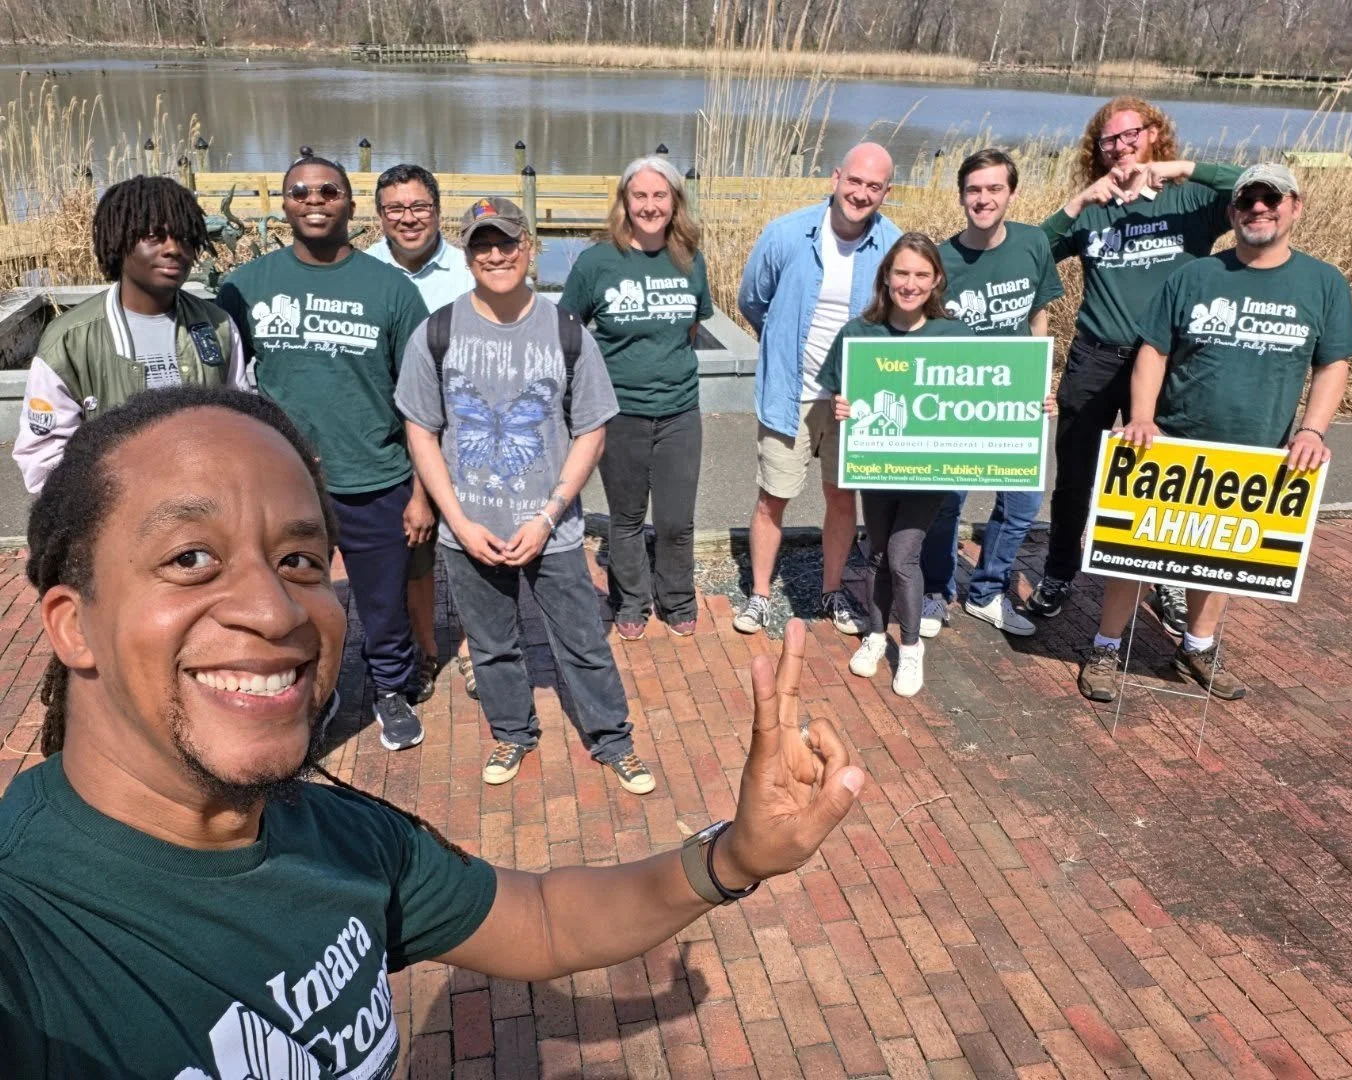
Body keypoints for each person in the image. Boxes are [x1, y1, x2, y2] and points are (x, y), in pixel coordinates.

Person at [0, 384, 866, 1078]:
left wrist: (733, 859)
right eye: (190, 559)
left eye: (301, 560)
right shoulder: (28, 932)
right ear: (73, 624)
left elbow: (541, 922)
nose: (271, 608)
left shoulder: (336, 834)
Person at [396, 196, 658, 795]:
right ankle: (512, 731)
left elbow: (592, 427)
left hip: (553, 529)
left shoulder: (567, 332)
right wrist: (457, 522)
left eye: (506, 243)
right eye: (482, 245)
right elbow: (422, 430)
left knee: (583, 642)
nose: (495, 255)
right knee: (491, 646)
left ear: (529, 250)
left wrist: (548, 515)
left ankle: (611, 738)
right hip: (471, 531)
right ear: (467, 256)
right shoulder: (435, 333)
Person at [1078, 164, 1352, 704]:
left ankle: (1197, 646)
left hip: (1258, 451)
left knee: (1222, 555)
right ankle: (1105, 646)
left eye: (1271, 199)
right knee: (1135, 553)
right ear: (1232, 213)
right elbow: (1153, 350)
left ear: (1295, 207)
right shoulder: (1195, 276)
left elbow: (1333, 364)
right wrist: (1141, 417)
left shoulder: (1323, 283)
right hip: (1172, 443)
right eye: (1247, 200)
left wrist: (1312, 430)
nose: (1259, 208)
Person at [217, 155, 430, 752]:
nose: (315, 200)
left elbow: (422, 401)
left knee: (383, 604)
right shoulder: (246, 286)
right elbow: (224, 378)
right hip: (286, 486)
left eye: (329, 190)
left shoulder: (391, 289)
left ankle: (392, 689)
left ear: (349, 206)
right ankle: (312, 690)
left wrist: (421, 491)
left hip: (375, 477)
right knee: (288, 601)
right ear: (283, 205)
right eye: (300, 192)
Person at [1029, 97, 1245, 637]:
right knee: (1076, 474)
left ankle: (1166, 578)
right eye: (1109, 140)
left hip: (1171, 360)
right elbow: (1031, 254)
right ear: (1096, 151)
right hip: (1097, 356)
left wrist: (1182, 169)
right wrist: (1078, 203)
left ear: (1154, 136)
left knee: (1163, 479)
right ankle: (1059, 572)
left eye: (1131, 136)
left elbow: (1262, 186)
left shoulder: (1191, 199)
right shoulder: (1094, 207)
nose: (1121, 148)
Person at [734, 142, 902, 636]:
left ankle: (831, 593)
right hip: (791, 392)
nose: (861, 193)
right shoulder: (786, 234)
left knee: (842, 499)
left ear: (886, 192)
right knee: (772, 498)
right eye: (855, 181)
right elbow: (752, 301)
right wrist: (786, 348)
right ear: (836, 177)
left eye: (874, 186)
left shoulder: (894, 245)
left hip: (853, 403)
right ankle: (761, 595)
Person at [12, 174, 247, 493]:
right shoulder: (70, 340)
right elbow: (43, 457)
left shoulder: (217, 326)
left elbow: (242, 423)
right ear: (119, 241)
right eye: (155, 237)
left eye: (185, 238)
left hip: (204, 514)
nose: (174, 249)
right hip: (112, 522)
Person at [560, 155, 713, 640]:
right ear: (625, 201)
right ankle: (630, 601)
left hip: (679, 412)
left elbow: (690, 329)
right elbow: (567, 331)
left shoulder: (691, 258)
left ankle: (678, 598)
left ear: (675, 202)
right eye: (639, 195)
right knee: (625, 518)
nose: (650, 205)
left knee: (675, 520)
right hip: (618, 413)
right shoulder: (596, 263)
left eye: (659, 195)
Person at [815, 233, 970, 697]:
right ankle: (877, 634)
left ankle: (911, 646)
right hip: (878, 463)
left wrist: (1031, 402)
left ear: (937, 279)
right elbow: (839, 394)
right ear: (886, 276)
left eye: (922, 274)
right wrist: (842, 407)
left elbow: (988, 390)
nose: (910, 282)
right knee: (880, 552)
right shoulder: (859, 334)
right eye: (901, 272)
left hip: (929, 468)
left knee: (904, 557)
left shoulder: (955, 335)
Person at [918, 148, 1064, 640]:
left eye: (994, 189)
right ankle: (936, 591)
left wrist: (1044, 382)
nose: (984, 199)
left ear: (1011, 193)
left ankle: (986, 592)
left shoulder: (1032, 243)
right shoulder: (941, 259)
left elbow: (1040, 314)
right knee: (947, 504)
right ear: (962, 196)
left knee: (1022, 503)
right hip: (961, 402)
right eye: (974, 190)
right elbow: (924, 332)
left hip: (1017, 400)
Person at [366, 164, 477, 704]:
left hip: (468, 430)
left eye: (419, 207)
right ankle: (428, 650)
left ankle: (483, 649)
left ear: (437, 210)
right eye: (396, 209)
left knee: (478, 546)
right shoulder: (361, 271)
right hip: (395, 435)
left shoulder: (467, 267)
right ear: (379, 215)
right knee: (416, 551)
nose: (408, 219)